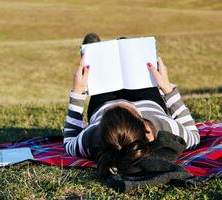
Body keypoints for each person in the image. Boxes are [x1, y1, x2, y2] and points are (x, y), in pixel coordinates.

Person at [63, 33, 200, 177]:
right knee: (126, 47)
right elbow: (194, 136)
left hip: (104, 100)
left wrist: (77, 92)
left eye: (113, 108)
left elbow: (69, 141)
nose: (122, 102)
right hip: (147, 98)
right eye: (126, 106)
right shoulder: (165, 128)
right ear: (142, 120)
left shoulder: (93, 138)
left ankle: (93, 52)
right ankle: (107, 50)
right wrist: (168, 89)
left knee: (107, 60)